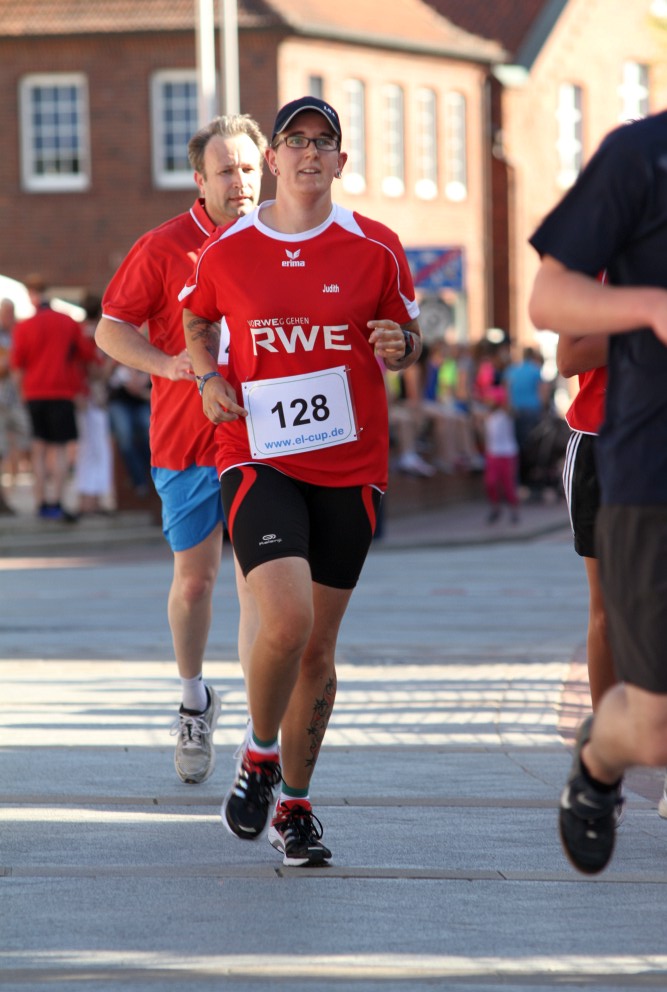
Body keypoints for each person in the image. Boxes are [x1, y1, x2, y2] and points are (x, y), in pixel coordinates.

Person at [181, 95, 422, 866]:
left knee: (317, 649)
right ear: (274, 159)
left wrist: (401, 345)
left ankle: (295, 807)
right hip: (259, 453)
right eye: (295, 139)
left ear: (341, 161)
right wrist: (206, 376)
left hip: (350, 463)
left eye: (324, 141)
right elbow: (195, 318)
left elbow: (408, 333)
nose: (310, 152)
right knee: (284, 620)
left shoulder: (376, 247)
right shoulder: (229, 248)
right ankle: (258, 756)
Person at [95, 114, 267, 786]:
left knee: (260, 584)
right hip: (186, 440)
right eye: (225, 170)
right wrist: (168, 365)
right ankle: (194, 700)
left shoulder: (282, 239)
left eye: (248, 168)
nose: (239, 181)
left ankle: (260, 734)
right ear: (199, 179)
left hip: (267, 440)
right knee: (195, 582)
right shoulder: (165, 246)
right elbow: (111, 329)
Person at [528, 110, 667, 875]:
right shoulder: (638, 164)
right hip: (627, 453)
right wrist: (647, 311)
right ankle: (602, 758)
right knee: (616, 630)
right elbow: (560, 334)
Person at [10, 275, 93, 521]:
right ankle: (57, 501)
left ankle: (40, 502)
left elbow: (17, 365)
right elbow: (85, 355)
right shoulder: (68, 322)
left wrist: (21, 393)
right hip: (62, 392)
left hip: (34, 392)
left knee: (38, 447)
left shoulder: (24, 326)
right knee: (60, 449)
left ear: (31, 295)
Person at [482, 385, 519, 523]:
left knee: (508, 484)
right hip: (492, 454)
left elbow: (509, 408)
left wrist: (506, 393)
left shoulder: (506, 414)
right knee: (490, 482)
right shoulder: (488, 416)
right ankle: (495, 507)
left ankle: (514, 510)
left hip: (507, 454)